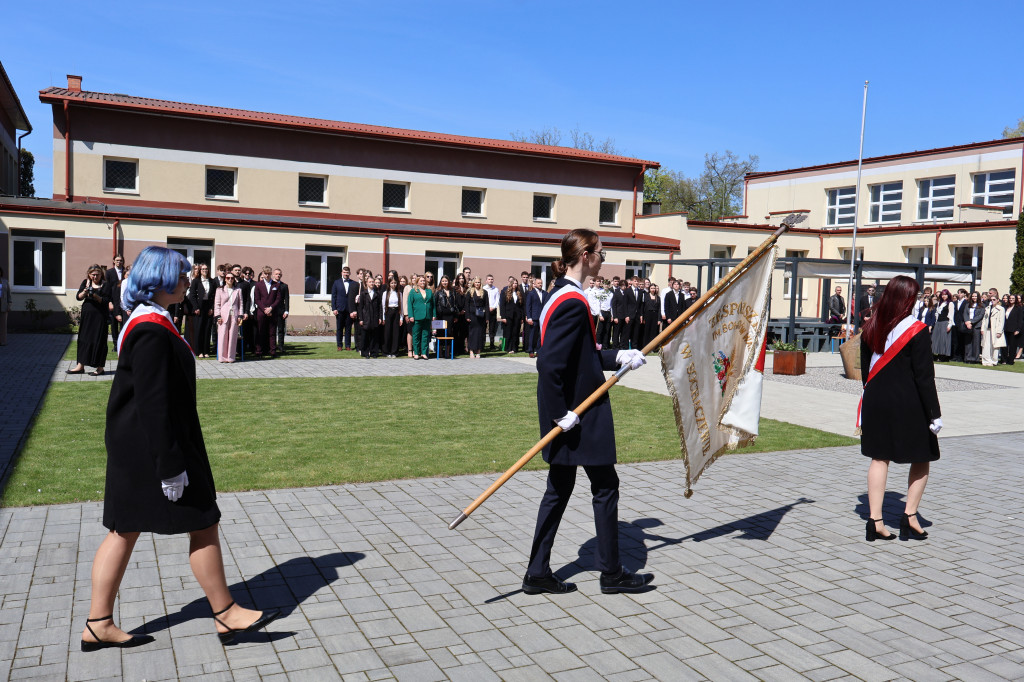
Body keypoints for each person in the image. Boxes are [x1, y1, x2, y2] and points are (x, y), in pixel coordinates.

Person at [79, 246, 279, 652]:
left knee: (125, 528)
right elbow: (153, 404)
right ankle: (225, 614)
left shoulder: (150, 319)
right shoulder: (151, 327)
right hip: (154, 447)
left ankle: (98, 623)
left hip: (137, 444)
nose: (188, 280)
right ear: (162, 281)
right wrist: (170, 465)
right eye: (183, 275)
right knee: (201, 520)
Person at [523, 228, 653, 595]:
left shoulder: (563, 295)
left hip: (572, 410)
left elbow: (582, 356)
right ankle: (611, 574)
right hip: (578, 413)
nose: (603, 259)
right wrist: (559, 414)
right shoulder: (572, 301)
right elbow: (549, 365)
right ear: (585, 256)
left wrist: (618, 356)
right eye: (601, 253)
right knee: (605, 485)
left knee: (560, 487)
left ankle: (537, 572)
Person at [859, 275, 941, 542]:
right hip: (908, 403)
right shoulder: (916, 330)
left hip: (875, 400)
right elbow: (924, 377)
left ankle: (875, 521)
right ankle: (910, 516)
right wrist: (935, 413)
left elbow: (864, 370)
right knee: (922, 456)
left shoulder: (871, 325)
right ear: (907, 299)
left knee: (879, 457)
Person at [68, 265, 110, 376]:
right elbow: (79, 297)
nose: (95, 277)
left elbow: (105, 301)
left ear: (101, 274)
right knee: (83, 338)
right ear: (89, 274)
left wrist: (95, 295)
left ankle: (100, 368)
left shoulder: (105, 285)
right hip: (87, 316)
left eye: (97, 274)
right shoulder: (85, 282)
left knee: (99, 340)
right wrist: (85, 291)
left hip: (100, 317)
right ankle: (80, 366)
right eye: (93, 274)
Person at [188, 263, 218, 358]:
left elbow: (214, 296)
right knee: (199, 329)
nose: (205, 270)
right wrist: (196, 307)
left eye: (206, 269)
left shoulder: (212, 281)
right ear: (200, 270)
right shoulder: (196, 281)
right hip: (199, 308)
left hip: (208, 308)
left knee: (207, 329)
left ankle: (206, 351)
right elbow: (192, 296)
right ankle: (199, 351)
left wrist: (212, 308)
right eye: (203, 269)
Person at [253, 266, 282, 358]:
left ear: (271, 273)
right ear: (263, 274)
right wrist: (265, 309)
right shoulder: (258, 285)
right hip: (261, 312)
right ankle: (259, 351)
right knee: (260, 332)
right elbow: (257, 299)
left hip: (273, 312)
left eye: (269, 273)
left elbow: (278, 299)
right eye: (265, 273)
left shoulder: (276, 285)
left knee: (272, 333)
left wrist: (271, 308)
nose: (267, 275)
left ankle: (273, 351)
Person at [214, 271, 243, 362]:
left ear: (234, 279)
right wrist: (218, 316)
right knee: (222, 336)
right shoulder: (219, 290)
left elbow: (241, 304)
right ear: (225, 279)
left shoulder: (238, 290)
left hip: (234, 315)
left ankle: (230, 357)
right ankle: (222, 357)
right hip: (223, 315)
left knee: (233, 336)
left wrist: (240, 315)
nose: (230, 279)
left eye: (232, 278)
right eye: (228, 278)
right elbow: (217, 304)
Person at [406, 275, 435, 359]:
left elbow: (433, 305)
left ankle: (424, 352)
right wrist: (411, 315)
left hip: (427, 316)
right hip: (417, 316)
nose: (423, 282)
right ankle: (416, 352)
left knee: (425, 335)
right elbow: (410, 304)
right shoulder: (413, 291)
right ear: (417, 282)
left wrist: (434, 315)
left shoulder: (429, 291)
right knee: (416, 335)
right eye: (421, 281)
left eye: (424, 281)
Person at [331, 266, 358, 351]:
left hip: (349, 309)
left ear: (349, 273)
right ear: (341, 273)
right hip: (339, 309)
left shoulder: (354, 283)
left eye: (347, 273)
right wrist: (334, 308)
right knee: (339, 328)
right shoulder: (336, 283)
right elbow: (333, 296)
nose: (346, 274)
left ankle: (348, 346)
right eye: (344, 272)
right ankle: (339, 345)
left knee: (348, 329)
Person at [357, 275, 384, 358]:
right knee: (365, 336)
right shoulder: (363, 294)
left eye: (373, 282)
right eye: (370, 282)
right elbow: (360, 307)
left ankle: (374, 352)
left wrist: (380, 317)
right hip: (366, 318)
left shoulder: (377, 294)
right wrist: (361, 318)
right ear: (367, 283)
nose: (372, 283)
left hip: (375, 318)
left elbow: (380, 307)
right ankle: (365, 352)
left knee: (374, 337)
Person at [980, 288, 1005, 367]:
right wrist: (982, 329)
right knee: (986, 345)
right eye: (991, 300)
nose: (992, 301)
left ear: (997, 300)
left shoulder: (1001, 309)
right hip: (987, 329)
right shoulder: (988, 308)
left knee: (995, 345)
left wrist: (999, 331)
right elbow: (984, 319)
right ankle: (986, 360)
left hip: (995, 330)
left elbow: (1002, 321)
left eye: (994, 299)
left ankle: (994, 360)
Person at [500, 276, 524, 354]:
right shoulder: (505, 292)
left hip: (517, 316)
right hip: (508, 315)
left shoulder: (519, 293)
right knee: (509, 332)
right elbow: (502, 305)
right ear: (511, 284)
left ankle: (514, 348)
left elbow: (521, 306)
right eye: (513, 283)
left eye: (516, 283)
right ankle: (508, 348)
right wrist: (503, 316)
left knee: (515, 332)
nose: (515, 285)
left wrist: (522, 317)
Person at [465, 277, 488, 359]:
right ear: (473, 283)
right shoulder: (469, 292)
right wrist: (467, 316)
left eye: (479, 282)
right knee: (472, 334)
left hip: (481, 316)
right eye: (476, 282)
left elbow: (486, 305)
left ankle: (478, 351)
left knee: (479, 334)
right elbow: (466, 305)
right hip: (472, 316)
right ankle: (471, 351)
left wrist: (487, 317)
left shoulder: (484, 292)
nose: (477, 284)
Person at [106, 255, 127, 340]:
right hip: (113, 300)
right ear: (114, 261)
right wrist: (109, 302)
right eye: (117, 260)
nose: (119, 262)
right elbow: (107, 288)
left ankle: (122, 341)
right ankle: (115, 343)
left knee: (123, 322)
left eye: (121, 260)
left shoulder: (126, 272)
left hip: (123, 301)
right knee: (114, 323)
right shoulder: (109, 272)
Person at [434, 275, 457, 355]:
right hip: (441, 316)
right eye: (443, 281)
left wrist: (455, 316)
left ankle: (447, 352)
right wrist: (435, 315)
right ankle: (439, 352)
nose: (444, 282)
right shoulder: (438, 292)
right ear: (441, 282)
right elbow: (435, 304)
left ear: (448, 282)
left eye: (446, 281)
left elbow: (455, 304)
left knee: (449, 334)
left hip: (450, 316)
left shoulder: (452, 291)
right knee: (440, 333)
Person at [381, 278, 404, 358]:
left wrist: (401, 318)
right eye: (392, 283)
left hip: (396, 312)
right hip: (388, 312)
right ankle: (386, 351)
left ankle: (394, 351)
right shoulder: (385, 293)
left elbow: (401, 306)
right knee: (387, 332)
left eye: (395, 283)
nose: (393, 285)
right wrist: (383, 317)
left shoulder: (399, 293)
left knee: (395, 332)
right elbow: (383, 306)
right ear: (389, 284)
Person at [524, 276, 544, 358]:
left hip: (542, 318)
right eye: (539, 283)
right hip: (534, 317)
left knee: (540, 335)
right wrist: (529, 317)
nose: (540, 284)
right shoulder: (531, 293)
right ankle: (531, 350)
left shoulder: (545, 293)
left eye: (541, 283)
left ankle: (538, 350)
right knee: (532, 334)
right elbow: (528, 306)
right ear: (534, 284)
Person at [932, 289, 954, 361]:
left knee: (944, 340)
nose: (944, 296)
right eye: (943, 294)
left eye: (945, 294)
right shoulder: (940, 303)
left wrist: (949, 325)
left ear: (948, 295)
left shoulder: (950, 303)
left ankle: (943, 356)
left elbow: (951, 314)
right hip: (938, 322)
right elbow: (937, 314)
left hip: (945, 322)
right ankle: (937, 354)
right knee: (937, 339)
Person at [963, 291, 984, 363]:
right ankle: (968, 358)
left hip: (976, 326)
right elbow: (965, 314)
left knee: (976, 343)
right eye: (973, 296)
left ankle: (975, 359)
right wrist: (967, 322)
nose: (974, 298)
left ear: (978, 297)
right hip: (968, 325)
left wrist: (972, 322)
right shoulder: (967, 305)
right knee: (968, 342)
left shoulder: (981, 305)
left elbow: (980, 315)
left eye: (975, 296)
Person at [272, 269, 290, 355]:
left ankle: (281, 347)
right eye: (276, 274)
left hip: (281, 311)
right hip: (272, 311)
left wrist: (286, 311)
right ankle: (272, 346)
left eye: (279, 274)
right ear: (273, 275)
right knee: (271, 330)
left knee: (280, 330)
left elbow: (286, 299)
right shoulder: (270, 285)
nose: (278, 275)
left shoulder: (284, 286)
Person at [483, 274, 500, 351]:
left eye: (491, 279)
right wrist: (487, 307)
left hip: (493, 310)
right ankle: (482, 344)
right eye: (489, 279)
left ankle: (492, 344)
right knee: (483, 327)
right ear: (486, 280)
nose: (490, 280)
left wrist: (493, 307)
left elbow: (497, 300)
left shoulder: (496, 289)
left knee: (492, 328)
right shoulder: (483, 289)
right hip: (485, 310)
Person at [1004, 294, 1021, 365]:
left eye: (1013, 298)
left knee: (1012, 346)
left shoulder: (1018, 308)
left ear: (1015, 300)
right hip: (1005, 329)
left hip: (1013, 330)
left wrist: (1018, 329)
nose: (1011, 300)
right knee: (1005, 346)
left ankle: (1011, 361)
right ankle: (1004, 360)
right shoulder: (1006, 307)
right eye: (1010, 298)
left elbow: (1020, 320)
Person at [0, 266, 10, 346]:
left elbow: (9, 295)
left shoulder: (5, 282)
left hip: (3, 305)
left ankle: (3, 341)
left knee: (3, 325)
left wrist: (9, 304)